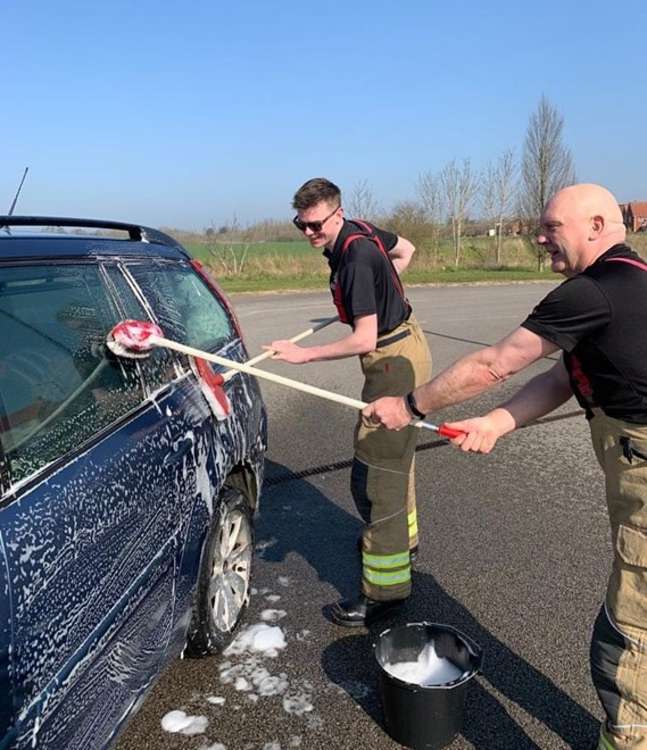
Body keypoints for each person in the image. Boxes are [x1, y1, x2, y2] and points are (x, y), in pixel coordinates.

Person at [363, 183, 647, 750]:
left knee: (627, 645)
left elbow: (494, 363)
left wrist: (408, 405)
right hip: (632, 462)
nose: (540, 238)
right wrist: (497, 423)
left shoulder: (590, 292)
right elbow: (566, 376)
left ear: (596, 225)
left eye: (551, 227)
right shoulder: (630, 279)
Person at [265, 177, 432, 627]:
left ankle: (386, 591)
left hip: (393, 361)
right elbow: (407, 251)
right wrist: (382, 294)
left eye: (316, 225)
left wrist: (304, 354)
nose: (308, 234)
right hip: (402, 347)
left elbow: (363, 337)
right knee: (397, 461)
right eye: (301, 225)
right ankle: (404, 542)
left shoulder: (356, 257)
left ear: (337, 214)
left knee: (377, 475)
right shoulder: (363, 231)